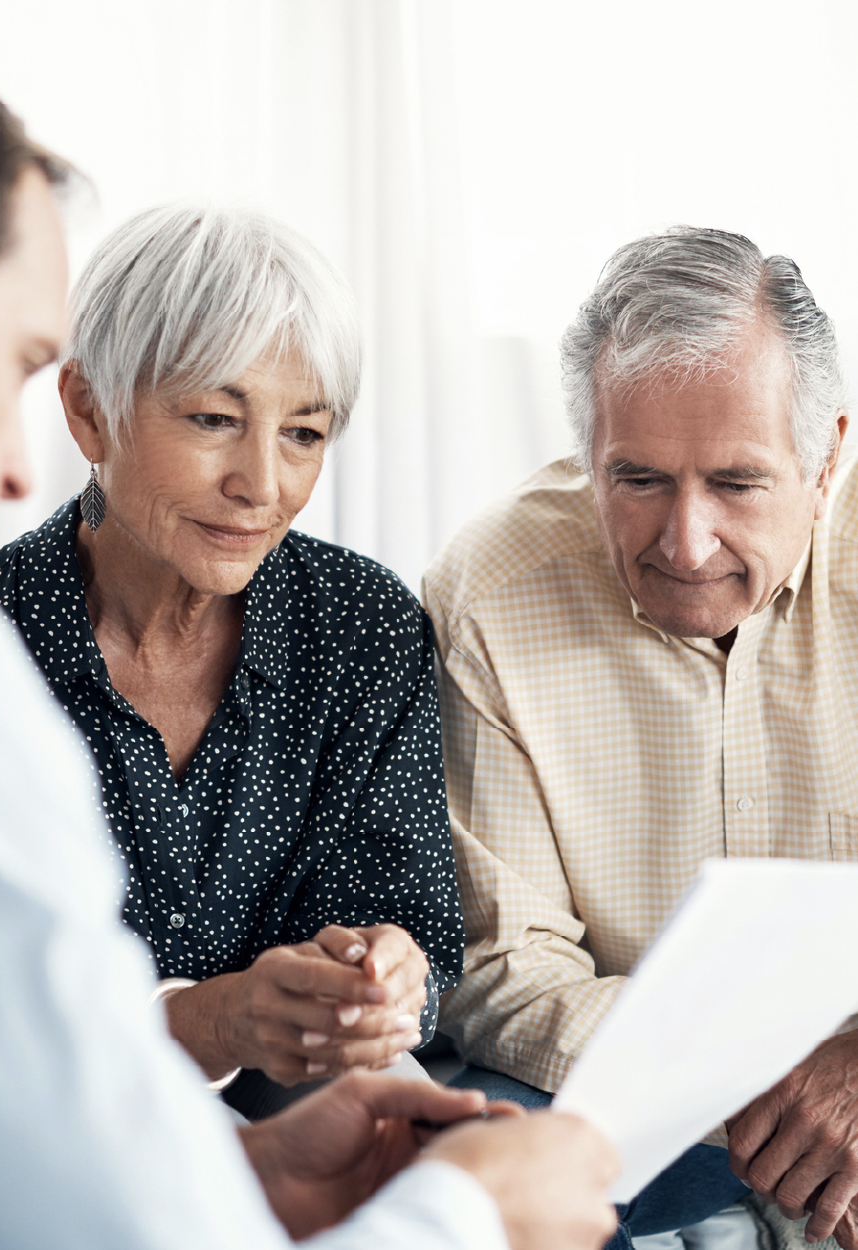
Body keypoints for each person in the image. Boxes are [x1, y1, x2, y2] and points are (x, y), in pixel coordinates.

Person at [0, 10, 620, 1250]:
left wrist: (240, 1169)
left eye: (303, 430)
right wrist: (475, 1209)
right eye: (15, 362)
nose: (8, 465)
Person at [0, 204, 461, 1117]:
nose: (261, 485)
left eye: (303, 433)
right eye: (213, 418)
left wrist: (387, 976)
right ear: (88, 411)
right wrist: (212, 1022)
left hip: (308, 1103)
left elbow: (412, 925)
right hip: (43, 1124)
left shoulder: (363, 626)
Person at [423, 227, 858, 1248]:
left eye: (737, 483)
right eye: (639, 479)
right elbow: (507, 971)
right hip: (633, 1116)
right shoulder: (490, 595)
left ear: (826, 456)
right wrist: (765, 1084)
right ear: (588, 456)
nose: (685, 543)